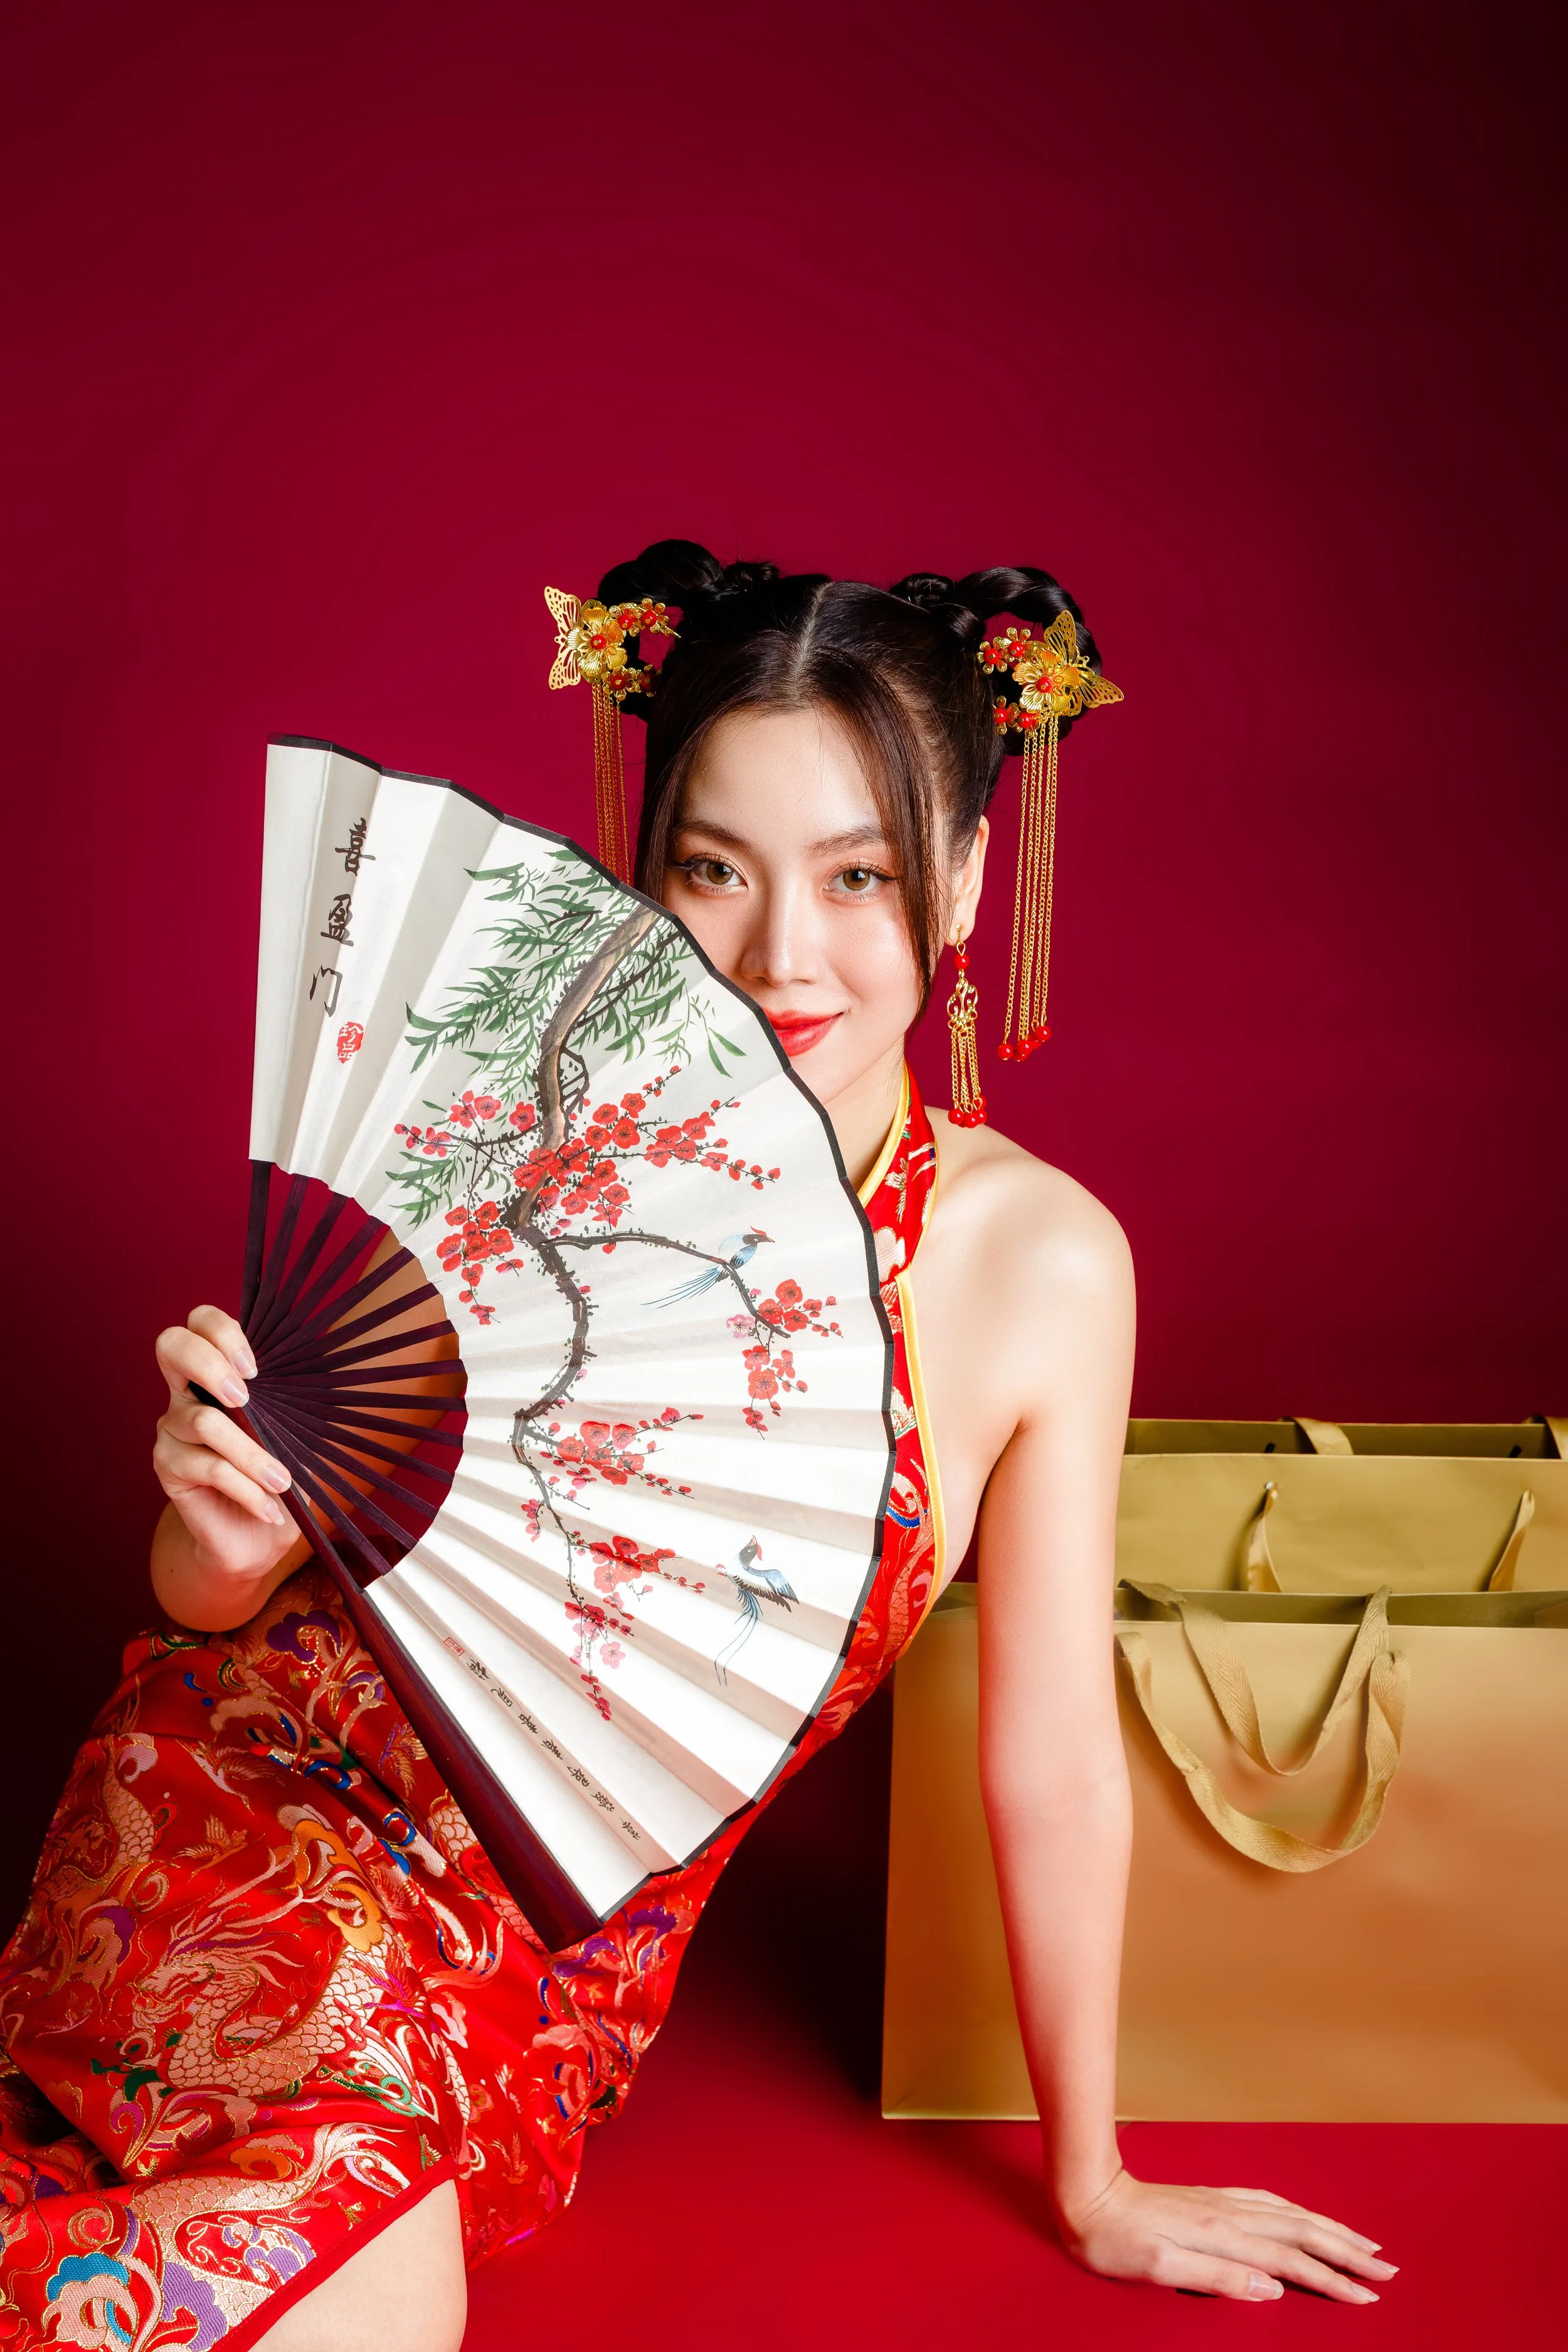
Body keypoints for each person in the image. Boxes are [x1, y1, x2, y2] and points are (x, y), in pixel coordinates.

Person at [0, 546, 1395, 2349]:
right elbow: (214, 1597)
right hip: (245, 1825)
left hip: (553, 1983)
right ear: (638, 873)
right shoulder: (481, 1144)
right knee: (375, 2310)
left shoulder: (1039, 1267)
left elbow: (1046, 1757)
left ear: (964, 880)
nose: (778, 958)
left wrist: (1095, 2176)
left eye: (859, 877)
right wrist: (212, 1510)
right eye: (711, 870)